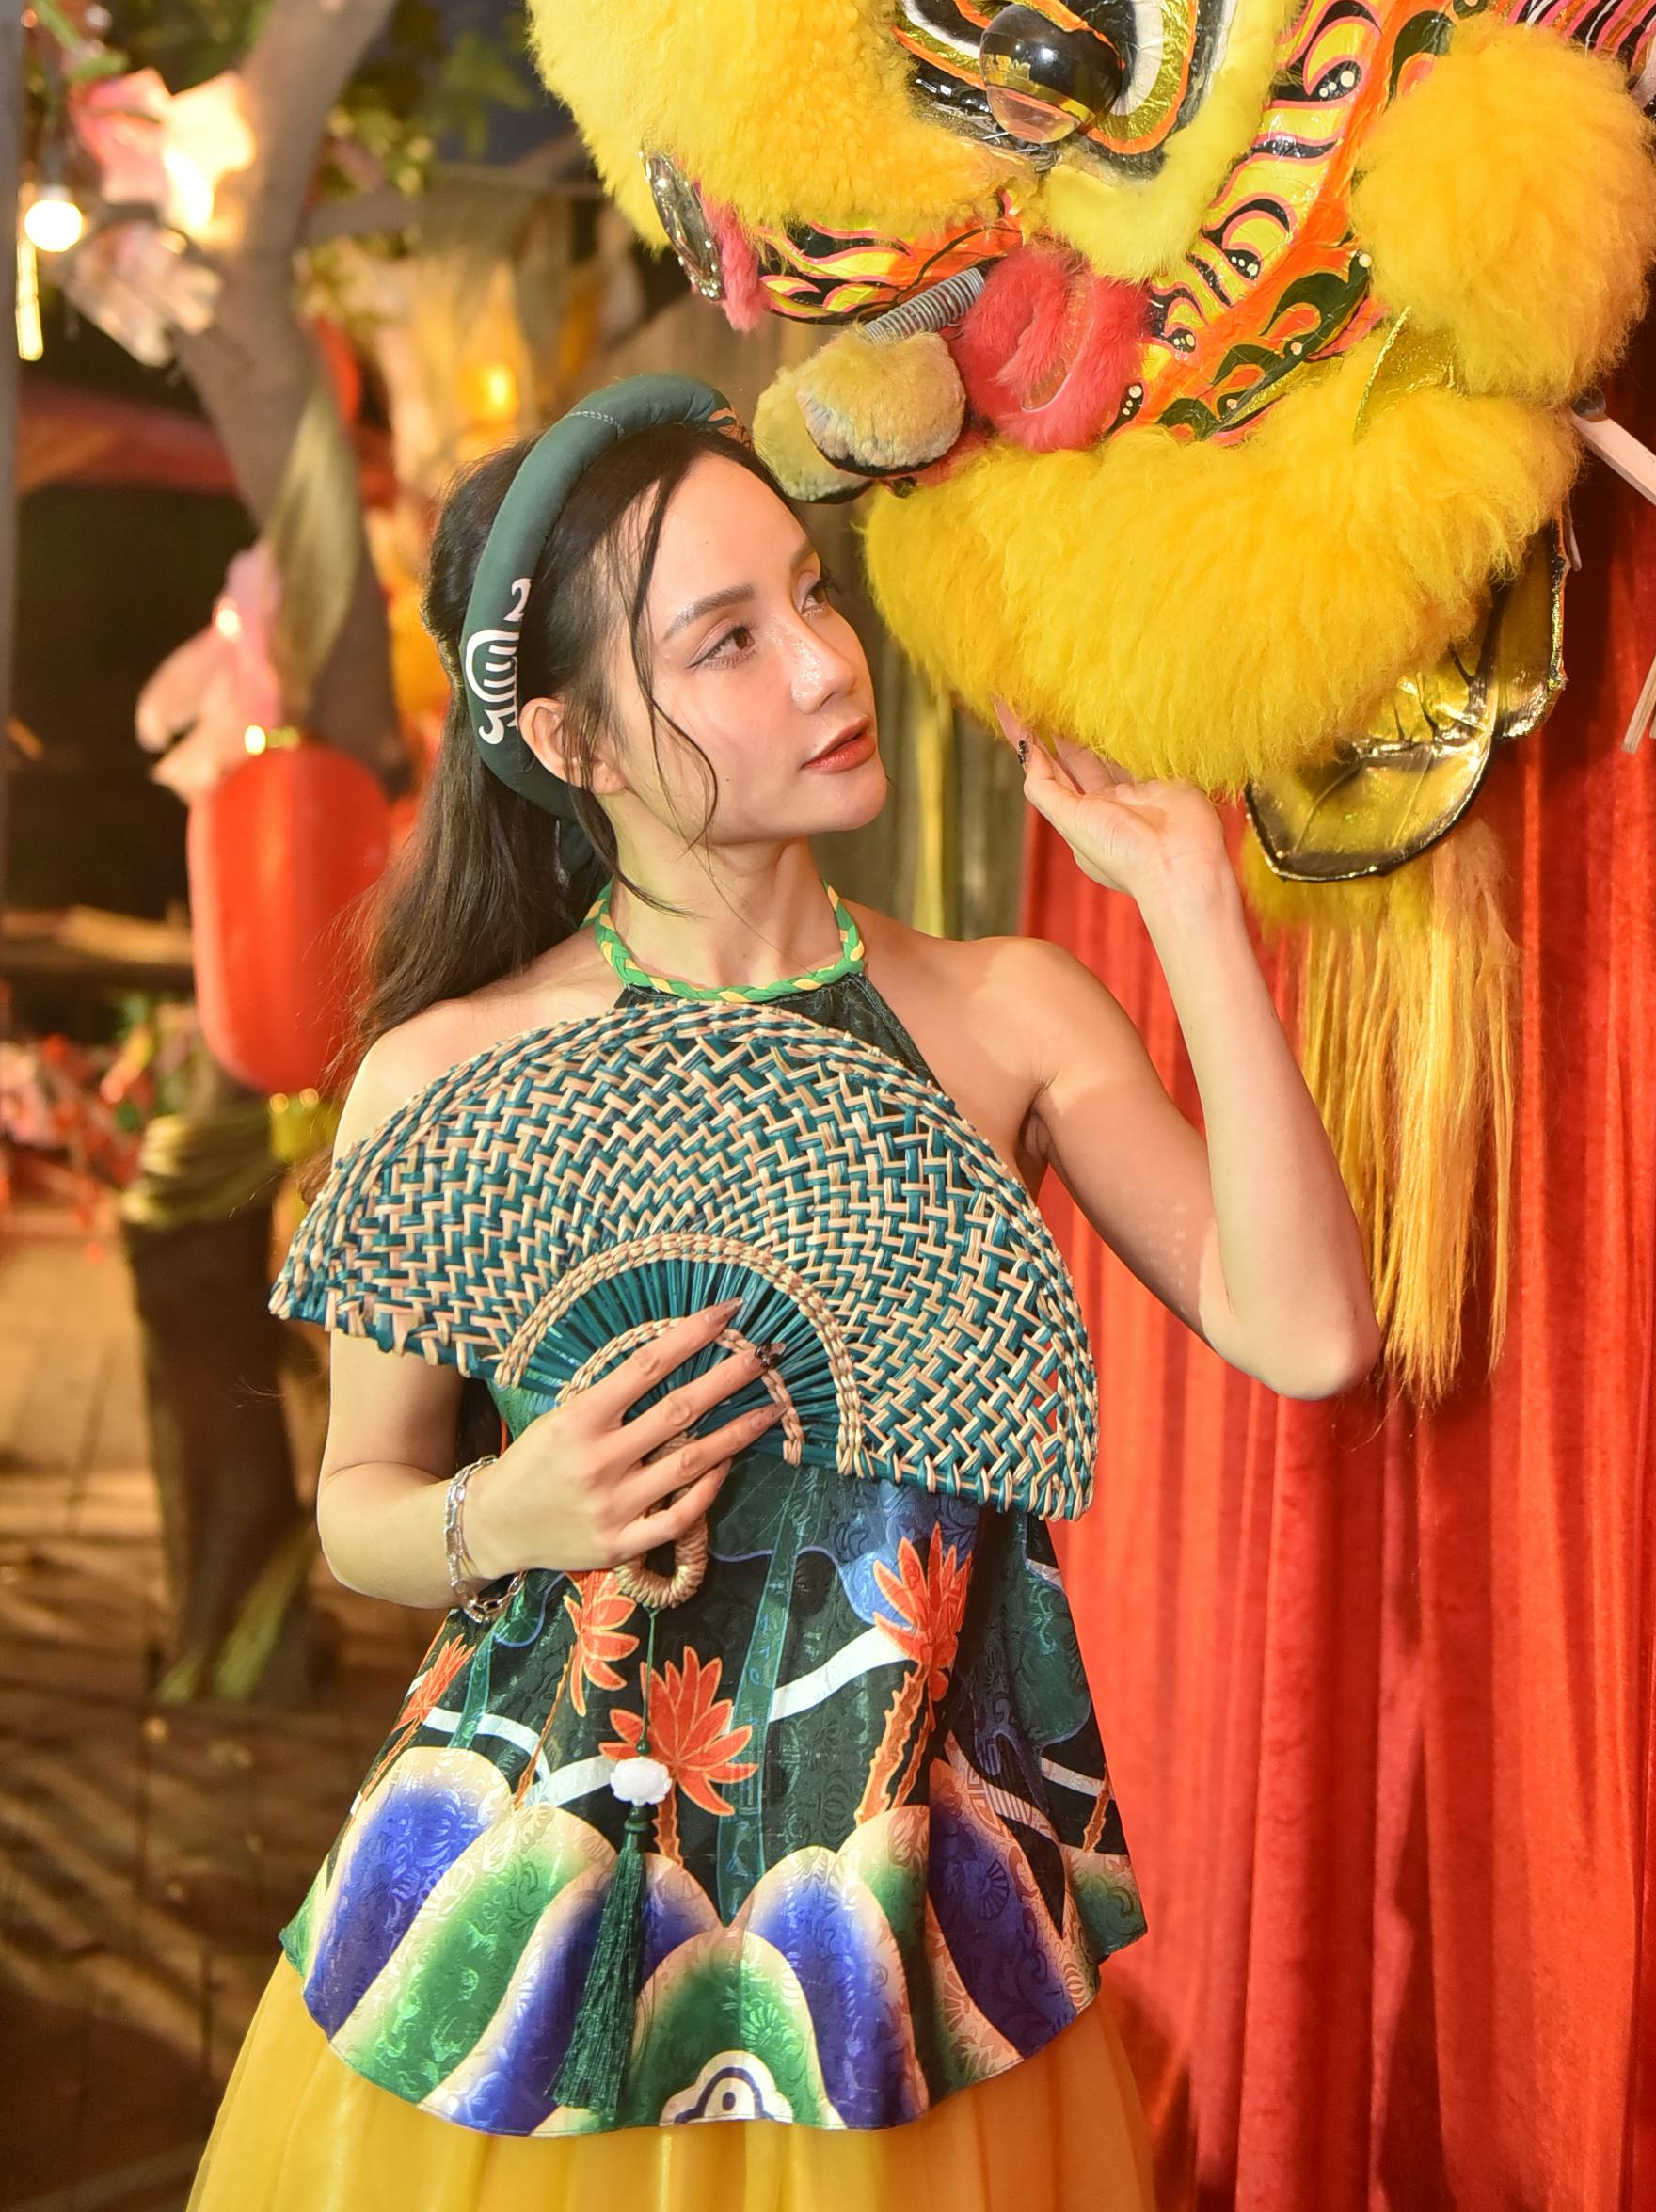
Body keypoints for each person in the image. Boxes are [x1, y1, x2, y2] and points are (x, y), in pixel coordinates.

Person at [186, 372, 1377, 2211]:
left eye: (812, 596)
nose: (827, 666)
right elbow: (358, 1510)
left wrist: (1184, 897)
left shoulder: (1002, 1018)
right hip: (544, 1931)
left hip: (890, 1957)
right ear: (570, 735)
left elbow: (1305, 1331)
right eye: (727, 639)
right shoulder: (446, 1072)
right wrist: (504, 1507)